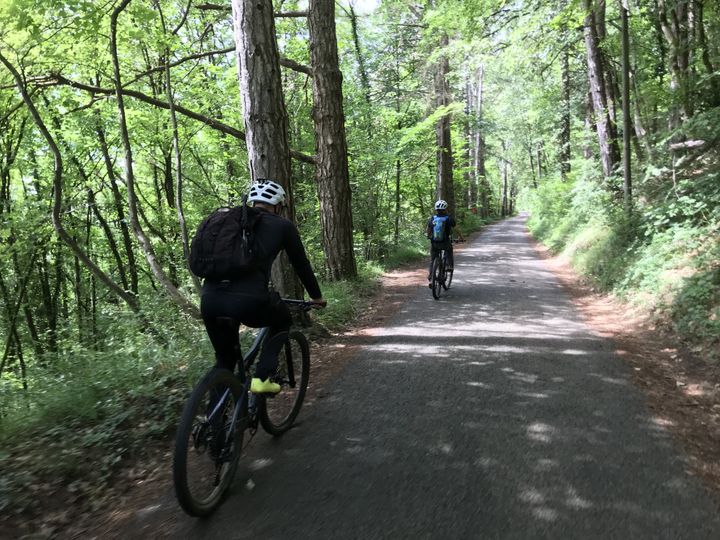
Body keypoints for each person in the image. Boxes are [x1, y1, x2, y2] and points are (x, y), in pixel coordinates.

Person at [200, 179, 326, 394]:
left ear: (253, 202)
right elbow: (301, 264)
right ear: (277, 205)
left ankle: (215, 422)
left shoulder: (229, 222)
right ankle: (262, 378)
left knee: (225, 361)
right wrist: (316, 297)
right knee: (283, 319)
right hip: (248, 300)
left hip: (210, 299)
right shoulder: (282, 226)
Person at [426, 199, 464, 285]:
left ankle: (432, 278)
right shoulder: (449, 219)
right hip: (445, 242)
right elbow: (456, 229)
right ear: (445, 209)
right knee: (449, 250)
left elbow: (428, 230)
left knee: (433, 259)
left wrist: (428, 236)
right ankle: (448, 266)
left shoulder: (432, 219)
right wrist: (461, 238)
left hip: (434, 243)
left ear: (436, 209)